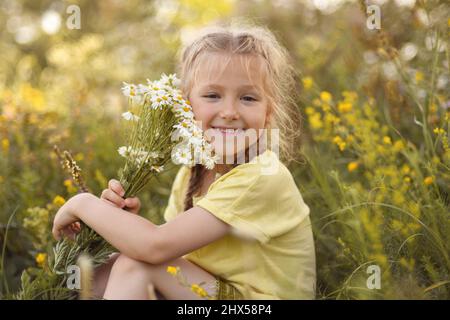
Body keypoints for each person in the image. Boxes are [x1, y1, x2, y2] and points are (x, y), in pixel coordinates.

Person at [52, 22, 316, 300]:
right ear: (186, 106)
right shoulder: (193, 173)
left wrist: (82, 204)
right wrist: (119, 226)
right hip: (217, 293)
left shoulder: (262, 176)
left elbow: (155, 248)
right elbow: (166, 251)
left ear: (268, 113)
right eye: (213, 95)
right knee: (99, 272)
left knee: (135, 266)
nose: (229, 111)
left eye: (248, 98)